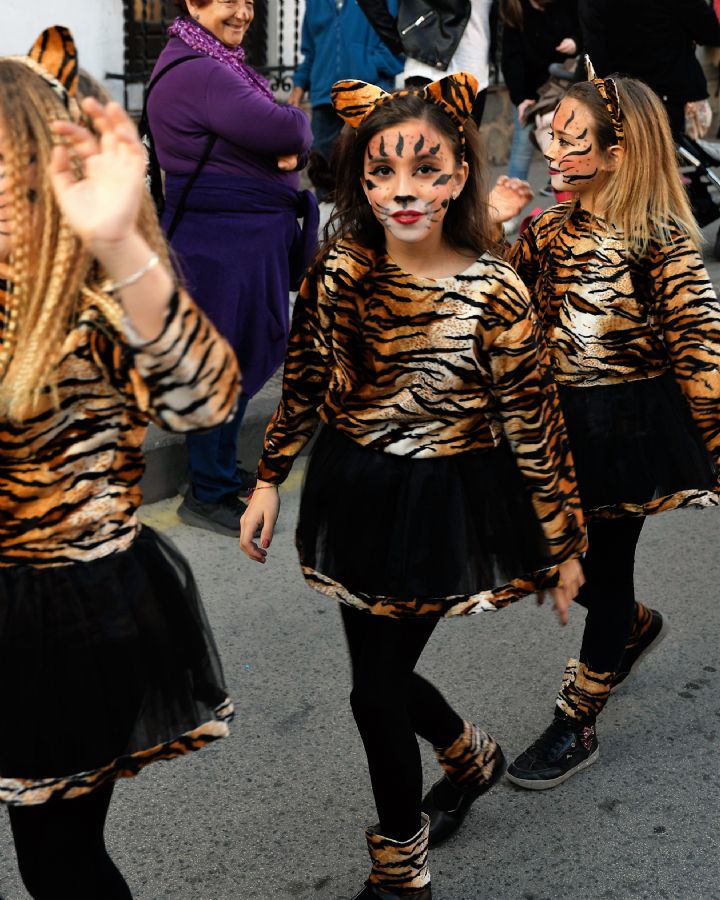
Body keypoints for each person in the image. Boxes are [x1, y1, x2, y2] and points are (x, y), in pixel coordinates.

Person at [240, 73, 588, 898]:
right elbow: (306, 381)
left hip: (448, 501)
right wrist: (265, 478)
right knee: (376, 684)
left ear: (460, 174)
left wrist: (565, 542)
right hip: (356, 490)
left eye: (427, 171)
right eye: (382, 173)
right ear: (361, 180)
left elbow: (534, 423)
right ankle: (470, 756)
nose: (404, 191)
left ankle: (402, 871)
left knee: (375, 692)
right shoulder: (341, 272)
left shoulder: (496, 289)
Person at [0, 26, 241, 900]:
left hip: (62, 620)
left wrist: (120, 244)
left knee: (58, 863)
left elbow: (208, 400)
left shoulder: (94, 305)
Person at [492, 61, 720, 790]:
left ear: (618, 154)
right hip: (554, 427)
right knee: (529, 553)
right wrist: (494, 230)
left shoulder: (659, 239)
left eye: (573, 142)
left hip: (626, 432)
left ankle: (577, 718)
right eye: (549, 137)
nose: (554, 154)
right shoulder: (546, 229)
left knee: (601, 567)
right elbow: (496, 305)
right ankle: (630, 624)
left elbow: (700, 348)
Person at [146, 0, 318, 536]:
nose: (243, 12)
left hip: (236, 242)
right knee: (220, 363)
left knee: (234, 357)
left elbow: (275, 144)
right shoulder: (201, 71)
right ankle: (209, 490)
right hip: (221, 246)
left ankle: (219, 471)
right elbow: (288, 130)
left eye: (249, 1)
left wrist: (288, 152)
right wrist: (294, 137)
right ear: (194, 4)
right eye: (228, 1)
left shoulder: (215, 61)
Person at [288, 0, 404, 203]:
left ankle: (369, 231)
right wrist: (298, 89)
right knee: (323, 173)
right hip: (325, 99)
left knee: (374, 171)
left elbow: (398, 45)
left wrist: (368, 68)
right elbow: (310, 51)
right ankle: (328, 230)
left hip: (369, 97)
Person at [578, 0, 720, 135]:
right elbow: (710, 32)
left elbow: (593, 51)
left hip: (621, 94)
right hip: (670, 93)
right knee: (672, 153)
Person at [356, 0, 498, 124]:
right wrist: (396, 39)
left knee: (466, 152)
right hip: (430, 68)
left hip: (478, 72)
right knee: (430, 147)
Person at [500, 0, 580, 181]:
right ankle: (512, 200)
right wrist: (520, 98)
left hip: (566, 91)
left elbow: (586, 28)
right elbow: (511, 59)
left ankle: (567, 201)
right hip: (531, 96)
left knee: (570, 152)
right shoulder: (515, 9)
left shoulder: (569, 5)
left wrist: (576, 41)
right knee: (522, 149)